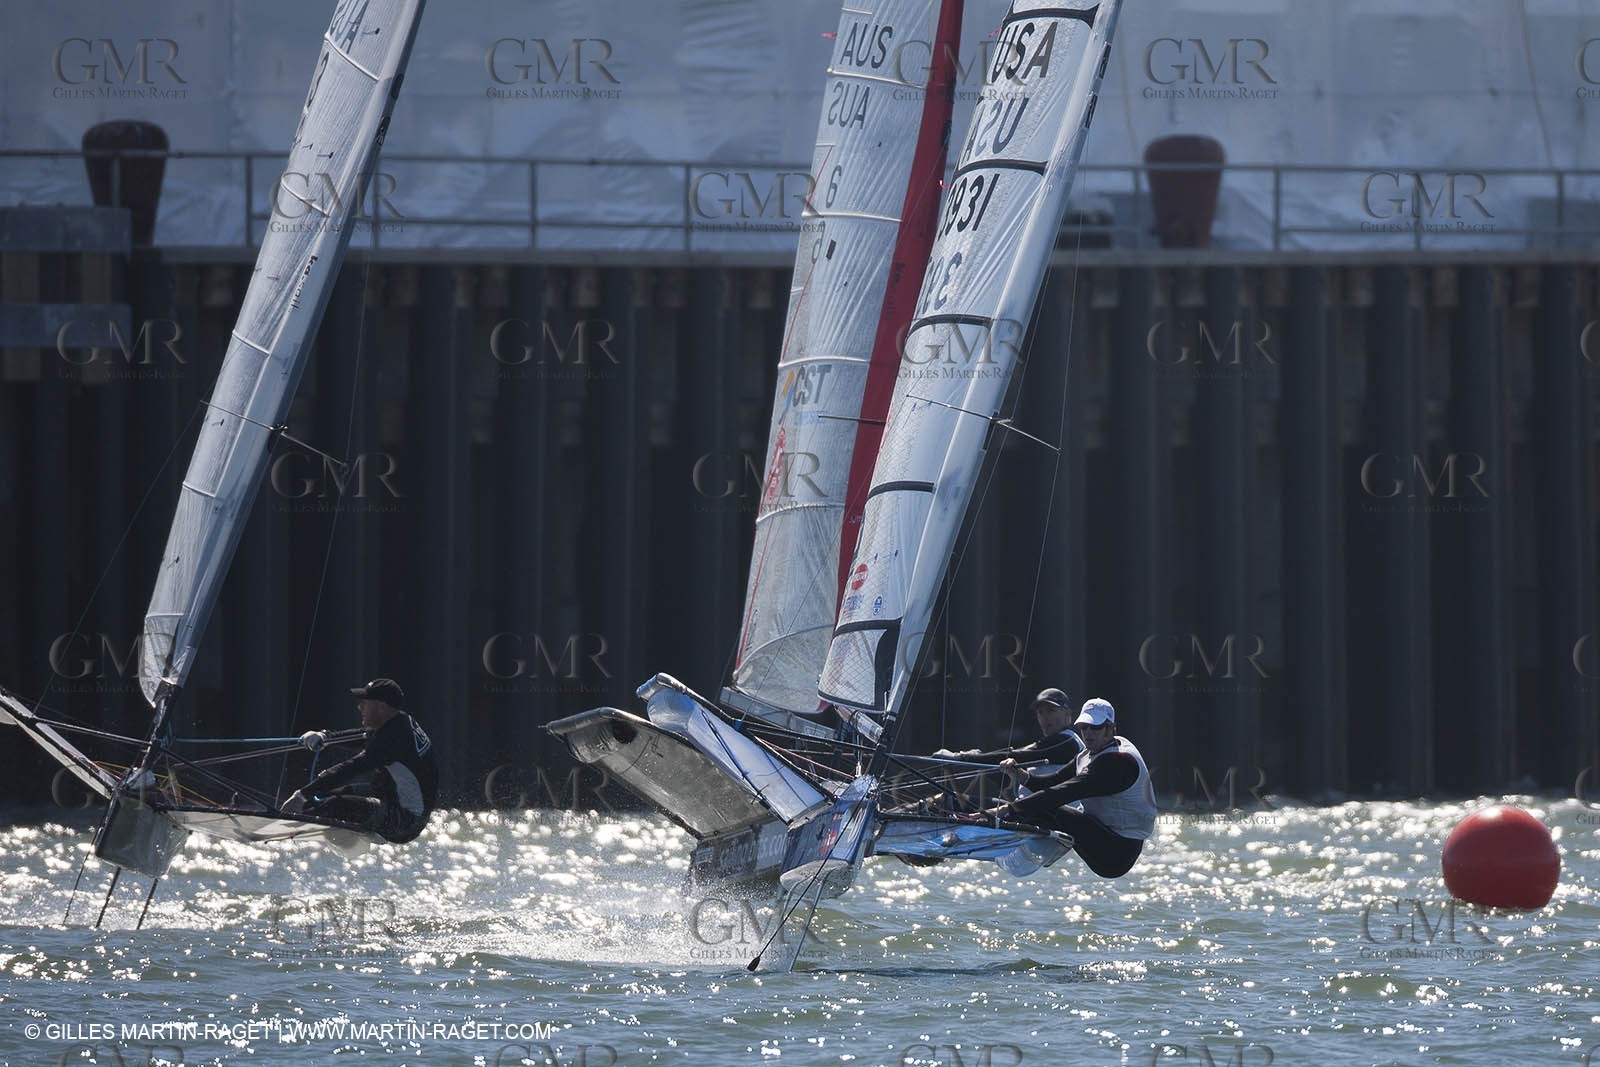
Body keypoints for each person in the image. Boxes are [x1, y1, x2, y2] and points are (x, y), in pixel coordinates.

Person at [984, 697, 1155, 878]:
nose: (1088, 733)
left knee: (1049, 807)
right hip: (1102, 833)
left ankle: (995, 829)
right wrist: (1022, 776)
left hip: (1118, 853)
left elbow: (1061, 793)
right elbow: (1054, 782)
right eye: (1084, 727)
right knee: (1043, 807)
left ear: (1111, 729)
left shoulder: (1117, 763)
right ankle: (1007, 831)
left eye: (1095, 727)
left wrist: (1004, 810)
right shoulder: (1088, 753)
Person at [284, 677, 438, 844]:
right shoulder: (396, 722)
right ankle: (303, 819)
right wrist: (325, 736)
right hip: (389, 797)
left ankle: (286, 826)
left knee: (336, 806)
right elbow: (363, 737)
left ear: (381, 707)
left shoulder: (394, 738)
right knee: (325, 797)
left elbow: (353, 767)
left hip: (405, 821)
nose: (360, 707)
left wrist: (302, 795)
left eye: (365, 703)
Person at [932, 688, 1087, 773]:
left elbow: (1018, 755)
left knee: (949, 802)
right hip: (1028, 811)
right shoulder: (1057, 743)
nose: (1045, 717)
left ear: (1068, 714)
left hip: (1046, 819)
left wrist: (962, 758)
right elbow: (1016, 757)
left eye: (1051, 710)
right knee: (947, 800)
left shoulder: (1067, 742)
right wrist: (978, 759)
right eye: (1040, 712)